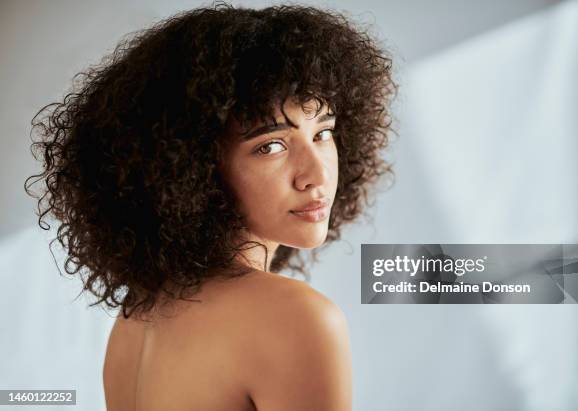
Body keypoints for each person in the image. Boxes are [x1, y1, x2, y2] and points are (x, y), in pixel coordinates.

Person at [24, 3, 396, 410]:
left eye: (323, 132)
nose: (317, 175)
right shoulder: (294, 317)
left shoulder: (139, 312)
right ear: (192, 168)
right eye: (271, 146)